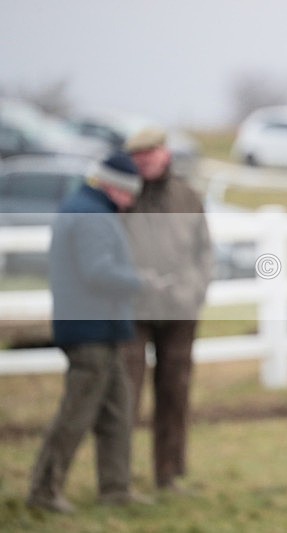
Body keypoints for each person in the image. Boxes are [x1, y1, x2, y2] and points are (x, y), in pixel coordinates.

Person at [28, 152, 149, 512]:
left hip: (101, 329)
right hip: (90, 331)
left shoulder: (86, 208)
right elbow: (98, 272)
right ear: (113, 187)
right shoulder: (92, 215)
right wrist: (140, 282)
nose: (131, 201)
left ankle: (116, 488)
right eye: (130, 193)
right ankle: (43, 492)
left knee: (116, 411)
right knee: (76, 414)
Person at [121, 127, 214, 492]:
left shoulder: (187, 195)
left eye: (151, 153)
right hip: (132, 309)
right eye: (138, 156)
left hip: (179, 310)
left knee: (175, 393)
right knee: (124, 393)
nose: (144, 161)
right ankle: (119, 478)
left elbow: (203, 252)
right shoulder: (122, 195)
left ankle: (169, 473)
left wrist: (193, 290)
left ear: (165, 154)